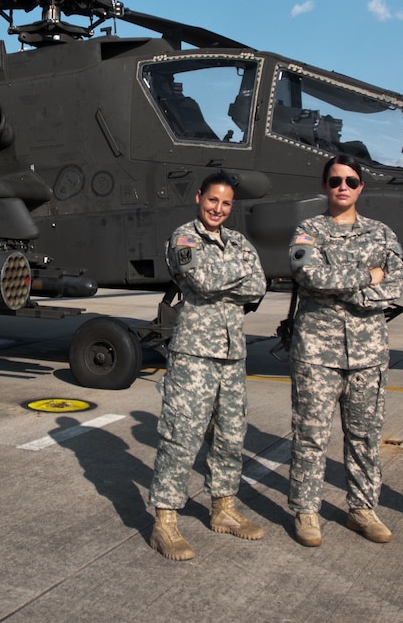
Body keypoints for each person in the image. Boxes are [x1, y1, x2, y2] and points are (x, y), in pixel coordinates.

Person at [287, 155, 403, 547]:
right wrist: (366, 276)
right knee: (310, 435)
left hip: (368, 352)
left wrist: (350, 288)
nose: (343, 186)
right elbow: (309, 274)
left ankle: (362, 509)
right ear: (325, 186)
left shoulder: (382, 233)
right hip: (317, 353)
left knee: (365, 437)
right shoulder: (308, 230)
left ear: (361, 188)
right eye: (335, 180)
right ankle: (307, 511)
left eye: (351, 181)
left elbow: (396, 282)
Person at [149, 170, 267, 560]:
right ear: (199, 197)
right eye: (212, 200)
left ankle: (224, 509)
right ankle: (165, 523)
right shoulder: (184, 237)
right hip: (194, 355)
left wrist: (226, 276)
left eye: (226, 203)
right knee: (181, 437)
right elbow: (200, 280)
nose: (218, 208)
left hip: (232, 356)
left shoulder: (238, 241)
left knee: (231, 437)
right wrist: (237, 274)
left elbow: (260, 285)